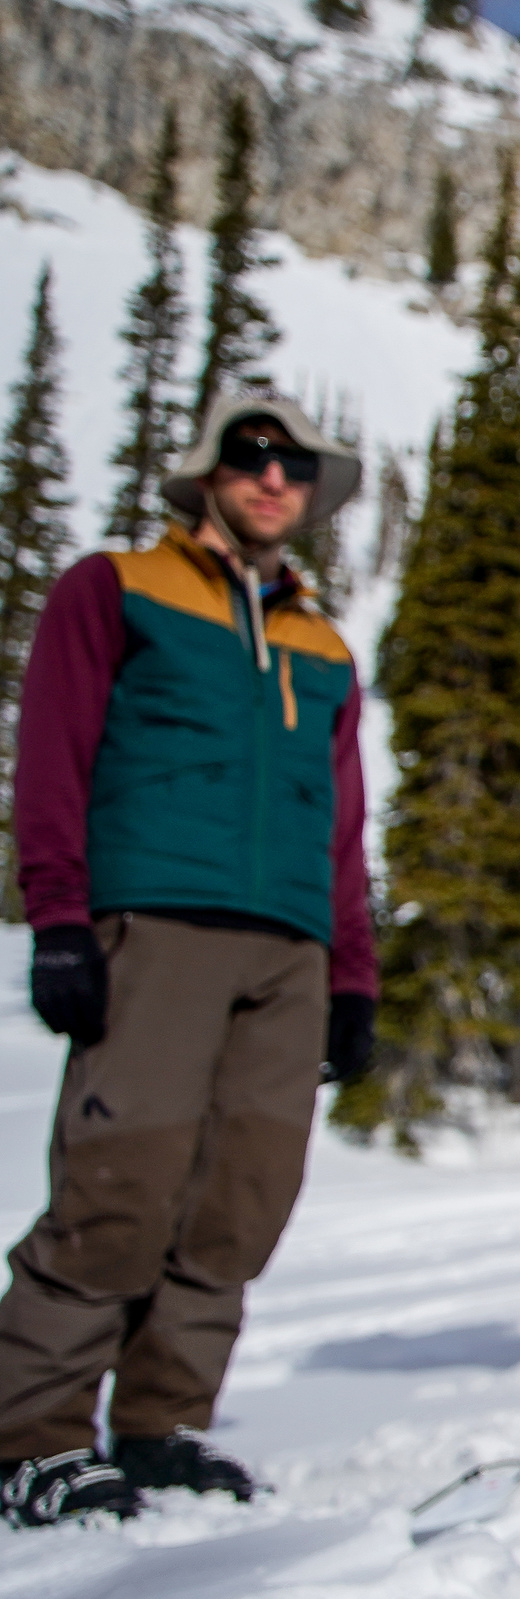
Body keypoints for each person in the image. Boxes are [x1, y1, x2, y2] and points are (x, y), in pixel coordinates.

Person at [0, 395, 375, 1528]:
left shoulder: (321, 646)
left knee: (243, 1191)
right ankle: (35, 1433)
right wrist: (59, 915)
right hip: (154, 919)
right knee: (123, 1176)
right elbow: (52, 751)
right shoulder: (117, 589)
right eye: (253, 457)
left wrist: (351, 976)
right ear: (207, 472)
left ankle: (165, 1421)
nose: (274, 479)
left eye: (295, 465)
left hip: (290, 943)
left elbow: (342, 827)